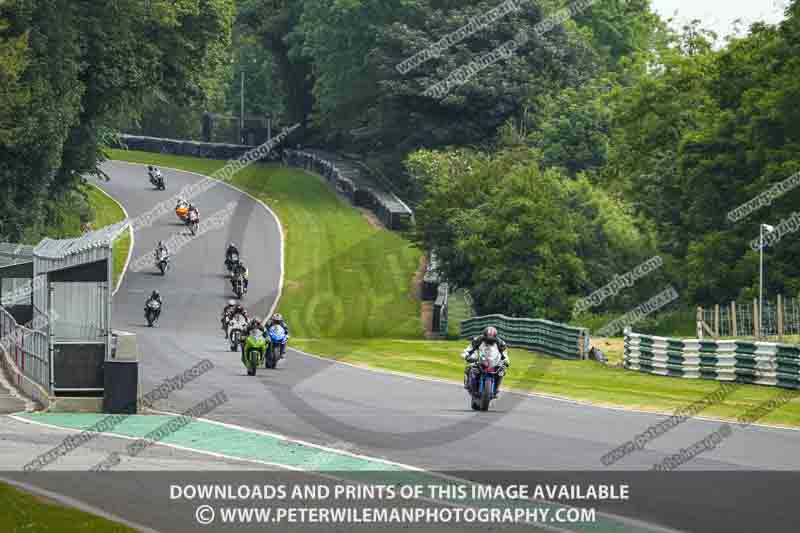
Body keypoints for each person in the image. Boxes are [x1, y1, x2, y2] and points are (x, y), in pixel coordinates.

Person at [463, 326, 510, 398]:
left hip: (493, 361)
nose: (489, 341)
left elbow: (504, 354)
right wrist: (466, 356)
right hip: (480, 359)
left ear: (495, 337)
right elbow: (469, 349)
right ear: (484, 336)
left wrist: (506, 361)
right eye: (487, 340)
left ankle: (496, 389)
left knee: (501, 371)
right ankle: (469, 384)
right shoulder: (478, 339)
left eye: (492, 340)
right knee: (471, 367)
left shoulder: (500, 343)